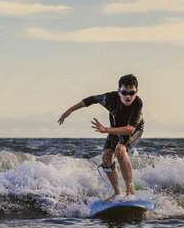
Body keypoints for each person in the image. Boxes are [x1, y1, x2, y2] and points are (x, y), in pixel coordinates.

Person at [58, 74, 144, 203]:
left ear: (136, 91)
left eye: (131, 93)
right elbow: (90, 100)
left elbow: (130, 129)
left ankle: (130, 192)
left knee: (120, 150)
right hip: (115, 128)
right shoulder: (109, 98)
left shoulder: (137, 103)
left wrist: (106, 130)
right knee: (106, 158)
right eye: (124, 92)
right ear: (118, 92)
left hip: (134, 129)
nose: (128, 96)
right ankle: (117, 193)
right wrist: (70, 110)